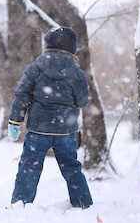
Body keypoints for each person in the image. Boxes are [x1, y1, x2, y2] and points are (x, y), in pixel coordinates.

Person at [8, 26, 93, 209]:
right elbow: (83, 100)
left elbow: (22, 95)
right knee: (71, 167)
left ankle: (21, 204)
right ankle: (83, 203)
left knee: (29, 166)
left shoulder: (36, 68)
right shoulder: (76, 72)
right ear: (72, 48)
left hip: (38, 129)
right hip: (66, 131)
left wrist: (15, 121)